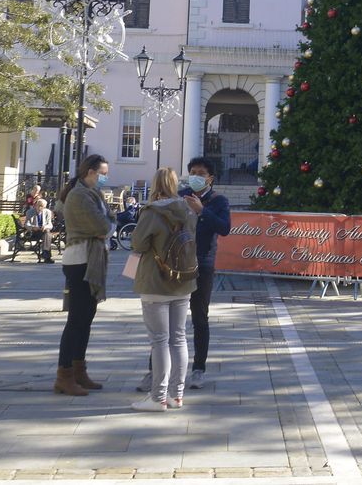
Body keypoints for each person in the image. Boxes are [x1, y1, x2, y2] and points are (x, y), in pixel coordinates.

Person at [129, 168, 198, 413]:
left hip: (156, 280)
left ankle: (158, 397)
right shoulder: (189, 210)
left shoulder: (152, 212)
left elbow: (137, 243)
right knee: (179, 338)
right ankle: (176, 395)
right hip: (183, 280)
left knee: (159, 341)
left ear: (156, 184)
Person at [55, 154, 113, 397]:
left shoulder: (92, 194)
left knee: (85, 319)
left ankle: (79, 370)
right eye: (103, 173)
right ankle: (64, 374)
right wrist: (106, 227)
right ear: (90, 171)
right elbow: (102, 226)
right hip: (80, 260)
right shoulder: (79, 195)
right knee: (76, 321)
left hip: (90, 259)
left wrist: (107, 226)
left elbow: (110, 221)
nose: (105, 177)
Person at [179, 158, 231, 390]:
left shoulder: (218, 200)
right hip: (178, 263)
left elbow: (224, 228)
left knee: (200, 317)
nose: (195, 176)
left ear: (210, 178)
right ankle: (155, 369)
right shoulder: (181, 196)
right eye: (192, 172)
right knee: (170, 317)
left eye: (200, 173)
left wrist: (202, 211)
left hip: (203, 263)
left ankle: (198, 368)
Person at [24, 195, 56, 264]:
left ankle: (45, 255)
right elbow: (26, 224)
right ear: (35, 205)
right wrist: (32, 227)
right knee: (48, 235)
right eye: (38, 205)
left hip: (43, 231)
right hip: (34, 232)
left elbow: (50, 224)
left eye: (42, 206)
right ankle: (47, 257)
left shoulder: (48, 212)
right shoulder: (30, 212)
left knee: (47, 232)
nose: (40, 207)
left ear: (45, 207)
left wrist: (46, 226)